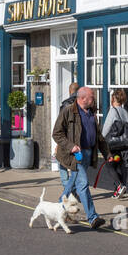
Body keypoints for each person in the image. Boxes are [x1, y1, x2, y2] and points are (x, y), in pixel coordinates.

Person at [51, 86, 109, 230]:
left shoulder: (91, 112)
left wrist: (107, 153)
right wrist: (71, 146)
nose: (94, 99)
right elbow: (57, 133)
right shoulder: (68, 111)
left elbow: (99, 137)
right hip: (74, 155)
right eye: (92, 96)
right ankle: (93, 218)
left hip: (88, 153)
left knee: (72, 184)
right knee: (82, 185)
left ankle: (60, 206)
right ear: (83, 98)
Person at [102, 88, 128, 200]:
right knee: (119, 166)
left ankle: (120, 186)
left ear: (114, 98)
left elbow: (106, 128)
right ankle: (118, 191)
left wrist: (100, 140)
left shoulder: (113, 111)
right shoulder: (125, 112)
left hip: (113, 144)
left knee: (109, 165)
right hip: (124, 145)